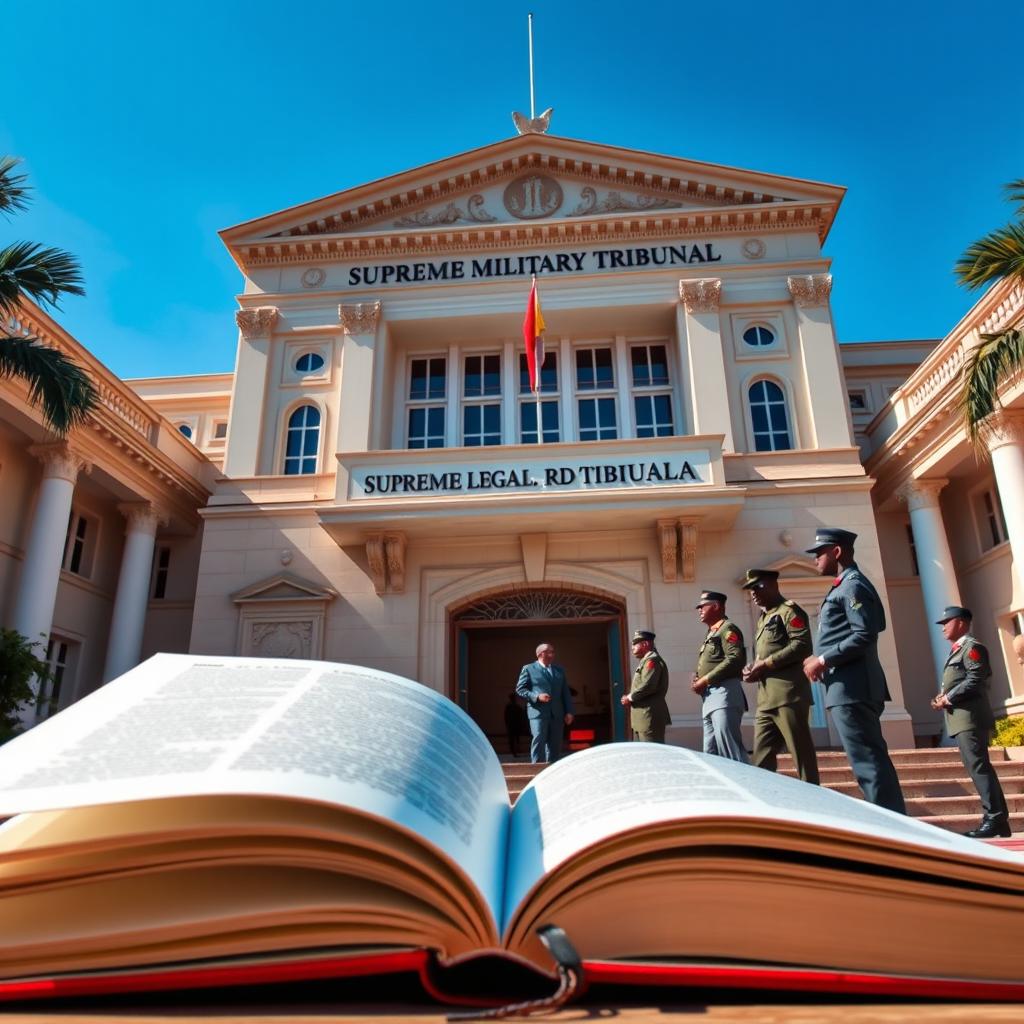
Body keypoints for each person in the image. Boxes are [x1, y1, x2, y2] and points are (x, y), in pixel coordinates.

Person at [801, 527, 906, 814]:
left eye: (819, 553)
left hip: (853, 688)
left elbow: (865, 634)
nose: (815, 559)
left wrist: (822, 660)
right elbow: (874, 625)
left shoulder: (852, 585)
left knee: (868, 762)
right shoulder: (848, 584)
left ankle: (891, 831)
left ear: (836, 552)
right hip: (850, 686)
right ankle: (891, 823)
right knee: (869, 760)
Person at [930, 606, 1011, 839]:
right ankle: (999, 820)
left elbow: (976, 677)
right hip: (961, 718)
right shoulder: (958, 650)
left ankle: (993, 818)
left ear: (962, 623)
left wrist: (949, 697)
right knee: (978, 768)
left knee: (979, 768)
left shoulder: (972, 647)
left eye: (947, 621)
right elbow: (959, 680)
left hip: (970, 718)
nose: (943, 626)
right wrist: (942, 697)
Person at [741, 568, 819, 784]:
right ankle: (765, 801)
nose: (754, 593)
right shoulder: (763, 618)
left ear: (774, 585)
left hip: (789, 695)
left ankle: (814, 799)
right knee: (761, 757)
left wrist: (766, 664)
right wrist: (754, 668)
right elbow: (765, 654)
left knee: (801, 754)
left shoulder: (789, 611)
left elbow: (802, 645)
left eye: (758, 587)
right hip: (766, 699)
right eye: (750, 589)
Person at [692, 590, 749, 763]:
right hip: (710, 697)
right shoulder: (711, 633)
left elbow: (735, 659)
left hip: (725, 694)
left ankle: (745, 784)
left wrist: (705, 679)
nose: (700, 610)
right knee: (710, 753)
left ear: (716, 606)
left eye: (703, 606)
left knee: (730, 750)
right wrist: (699, 678)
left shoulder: (727, 629)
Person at [516, 643, 575, 763]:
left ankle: (552, 772)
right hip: (538, 713)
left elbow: (565, 693)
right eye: (549, 651)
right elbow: (520, 689)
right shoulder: (529, 669)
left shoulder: (559, 670)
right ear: (540, 654)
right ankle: (537, 772)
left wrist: (569, 711)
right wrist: (537, 696)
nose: (552, 654)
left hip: (557, 714)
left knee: (555, 744)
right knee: (539, 741)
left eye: (553, 652)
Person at [621, 630, 670, 742]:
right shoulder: (646, 661)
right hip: (642, 718)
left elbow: (648, 685)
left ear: (645, 644)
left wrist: (630, 697)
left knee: (653, 754)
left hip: (648, 717)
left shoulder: (652, 660)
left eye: (635, 644)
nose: (632, 647)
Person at [503, 692, 527, 758]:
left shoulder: (517, 707)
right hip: (512, 725)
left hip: (515, 725)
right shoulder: (511, 707)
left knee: (515, 739)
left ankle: (515, 751)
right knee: (513, 739)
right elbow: (506, 717)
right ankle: (514, 752)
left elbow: (520, 717)